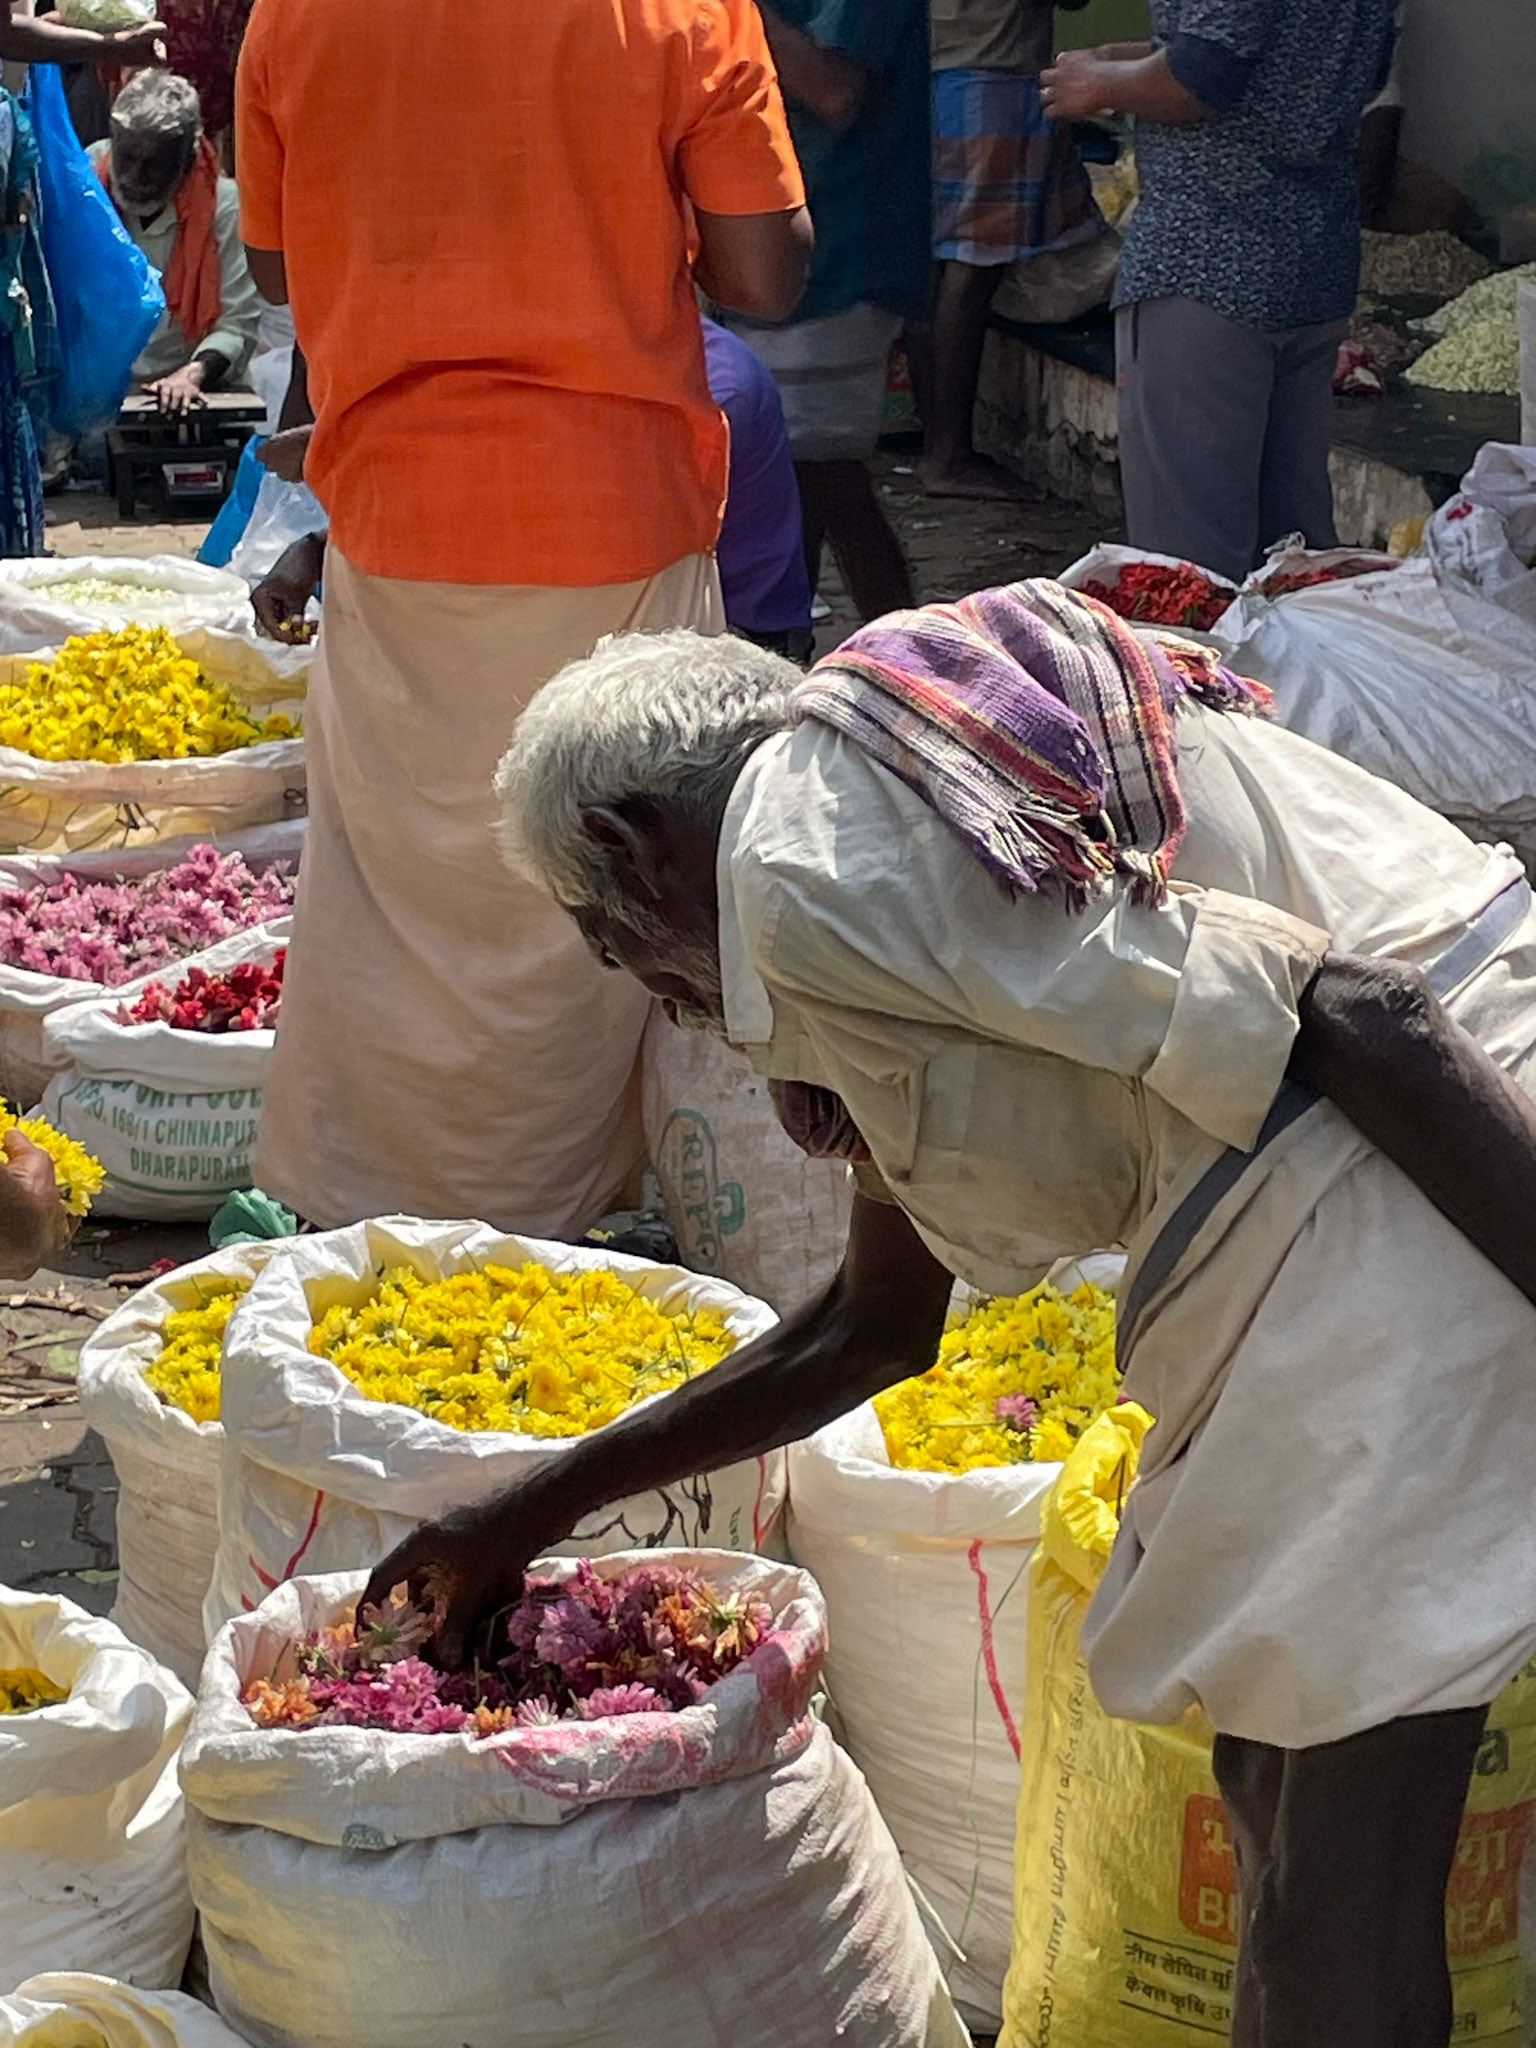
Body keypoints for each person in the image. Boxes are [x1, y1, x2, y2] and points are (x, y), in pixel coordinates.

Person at [364, 583, 1536, 2046]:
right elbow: (873, 1324)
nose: (662, 1006)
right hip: (1392, 1159)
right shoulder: (878, 857)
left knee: (1335, 1880)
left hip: (1438, 1157)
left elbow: (1366, 1017)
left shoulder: (807, 868)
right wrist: (518, 1517)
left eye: (617, 950)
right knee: (1281, 1801)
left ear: (635, 849)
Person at [234, 0, 809, 1239]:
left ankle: (379, 1231)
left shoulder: (295, 14)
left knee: (406, 901)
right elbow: (765, 271)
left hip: (395, 524)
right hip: (614, 518)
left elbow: (282, 266)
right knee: (593, 906)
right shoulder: (683, 10)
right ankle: (554, 1238)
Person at [1040, 0, 1396, 583]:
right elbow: (1296, 61)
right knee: (1291, 557)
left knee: (1191, 572)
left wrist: (1101, 82)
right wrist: (1120, 62)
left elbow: (1203, 76)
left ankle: (1210, 675)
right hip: (1312, 258)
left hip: (1205, 258)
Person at [249, 319, 814, 661]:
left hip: (735, 642)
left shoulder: (698, 391)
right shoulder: (578, 367)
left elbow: (530, 530)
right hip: (617, 614)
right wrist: (319, 548)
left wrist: (354, 459)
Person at [722, 0, 930, 623]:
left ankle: (901, 657)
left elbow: (833, 89)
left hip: (841, 257)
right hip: (787, 259)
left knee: (814, 476)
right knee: (808, 482)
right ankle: (889, 654)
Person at [919, 0, 1097, 499]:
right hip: (991, 75)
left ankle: (937, 444)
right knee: (969, 268)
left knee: (938, 264)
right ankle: (948, 455)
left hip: (933, 72)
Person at [90, 71, 260, 417]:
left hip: (189, 386)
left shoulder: (224, 206)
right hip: (95, 390)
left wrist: (190, 375)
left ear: (186, 159)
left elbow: (236, 324)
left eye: (153, 164)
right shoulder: (87, 179)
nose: (135, 177)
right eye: (127, 158)